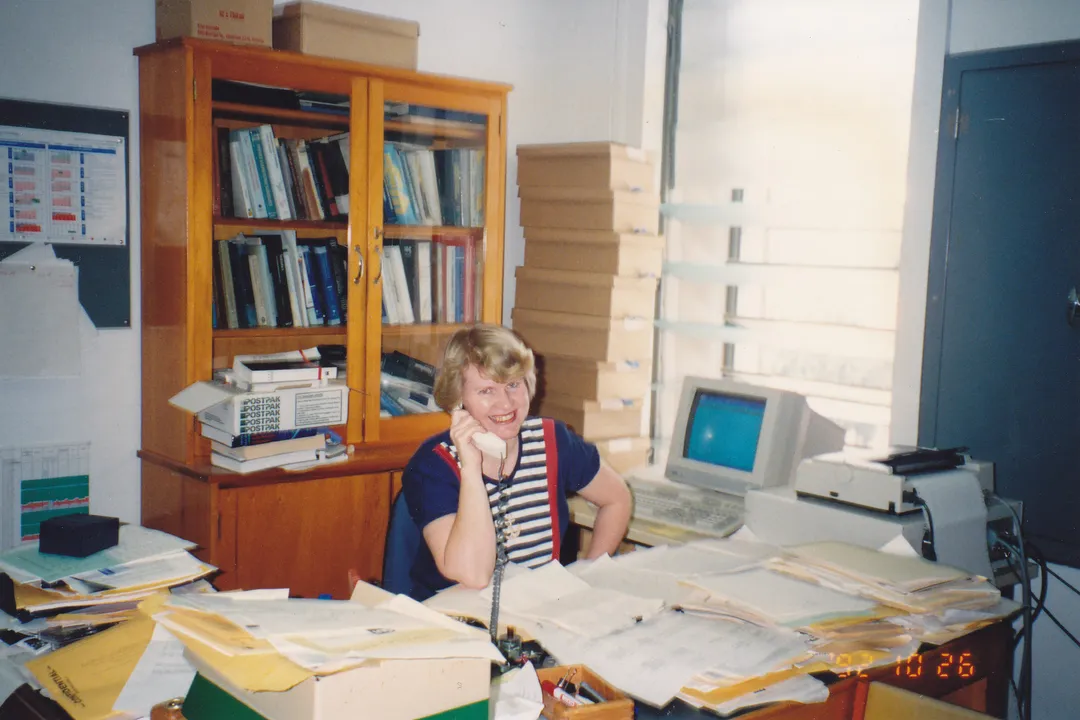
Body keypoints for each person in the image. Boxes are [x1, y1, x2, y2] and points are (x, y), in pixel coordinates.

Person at [401, 323, 632, 600]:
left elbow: (617, 499)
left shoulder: (553, 441)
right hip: (456, 622)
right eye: (486, 391)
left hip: (537, 612)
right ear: (458, 399)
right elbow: (472, 576)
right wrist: (472, 470)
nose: (505, 403)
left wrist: (587, 577)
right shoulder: (433, 465)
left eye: (513, 385)